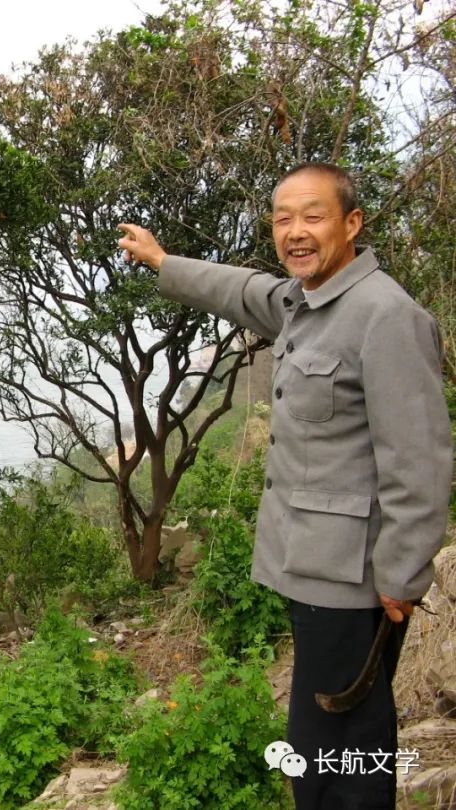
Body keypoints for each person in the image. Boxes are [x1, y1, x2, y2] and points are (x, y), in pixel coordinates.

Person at [117, 162, 452, 810]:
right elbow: (238, 290)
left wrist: (402, 574)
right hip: (316, 570)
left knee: (340, 748)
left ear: (352, 224)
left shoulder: (384, 316)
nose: (295, 231)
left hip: (355, 579)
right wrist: (162, 260)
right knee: (323, 740)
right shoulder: (306, 302)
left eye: (313, 216)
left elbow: (419, 457)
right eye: (282, 218)